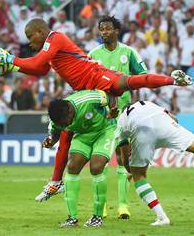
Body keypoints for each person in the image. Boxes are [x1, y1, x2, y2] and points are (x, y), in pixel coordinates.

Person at [0, 17, 192, 196]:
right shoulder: (50, 49)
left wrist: (12, 59)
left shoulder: (55, 38)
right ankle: (56, 182)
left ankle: (172, 80)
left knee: (133, 81)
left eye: (31, 37)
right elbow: (40, 69)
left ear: (41, 32)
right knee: (67, 131)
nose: (30, 43)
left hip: (97, 77)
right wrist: (13, 65)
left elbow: (37, 61)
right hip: (86, 91)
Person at [35, 16, 147, 219]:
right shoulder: (93, 54)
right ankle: (101, 208)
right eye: (101, 29)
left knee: (124, 158)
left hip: (124, 111)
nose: (104, 32)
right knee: (99, 162)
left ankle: (123, 206)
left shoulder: (129, 52)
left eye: (107, 29)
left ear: (116, 31)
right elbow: (84, 79)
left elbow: (140, 77)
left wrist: (135, 102)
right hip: (99, 114)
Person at [43, 90, 117, 227]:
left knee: (96, 167)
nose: (64, 126)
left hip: (104, 131)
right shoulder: (58, 117)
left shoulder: (89, 99)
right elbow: (55, 134)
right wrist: (50, 141)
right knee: (72, 167)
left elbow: (111, 94)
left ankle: (97, 217)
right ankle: (72, 218)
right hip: (83, 136)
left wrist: (113, 109)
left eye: (64, 123)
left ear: (70, 111)